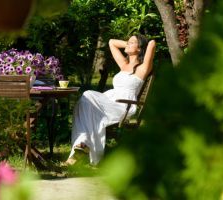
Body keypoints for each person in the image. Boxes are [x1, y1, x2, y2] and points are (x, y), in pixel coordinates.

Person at [65, 34, 156, 166]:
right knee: (84, 102)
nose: (128, 44)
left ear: (140, 48)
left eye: (132, 42)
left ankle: (84, 145)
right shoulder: (124, 64)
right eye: (128, 41)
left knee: (88, 95)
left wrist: (139, 45)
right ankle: (82, 144)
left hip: (123, 106)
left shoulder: (142, 69)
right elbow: (111, 42)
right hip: (109, 101)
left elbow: (152, 43)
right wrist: (130, 45)